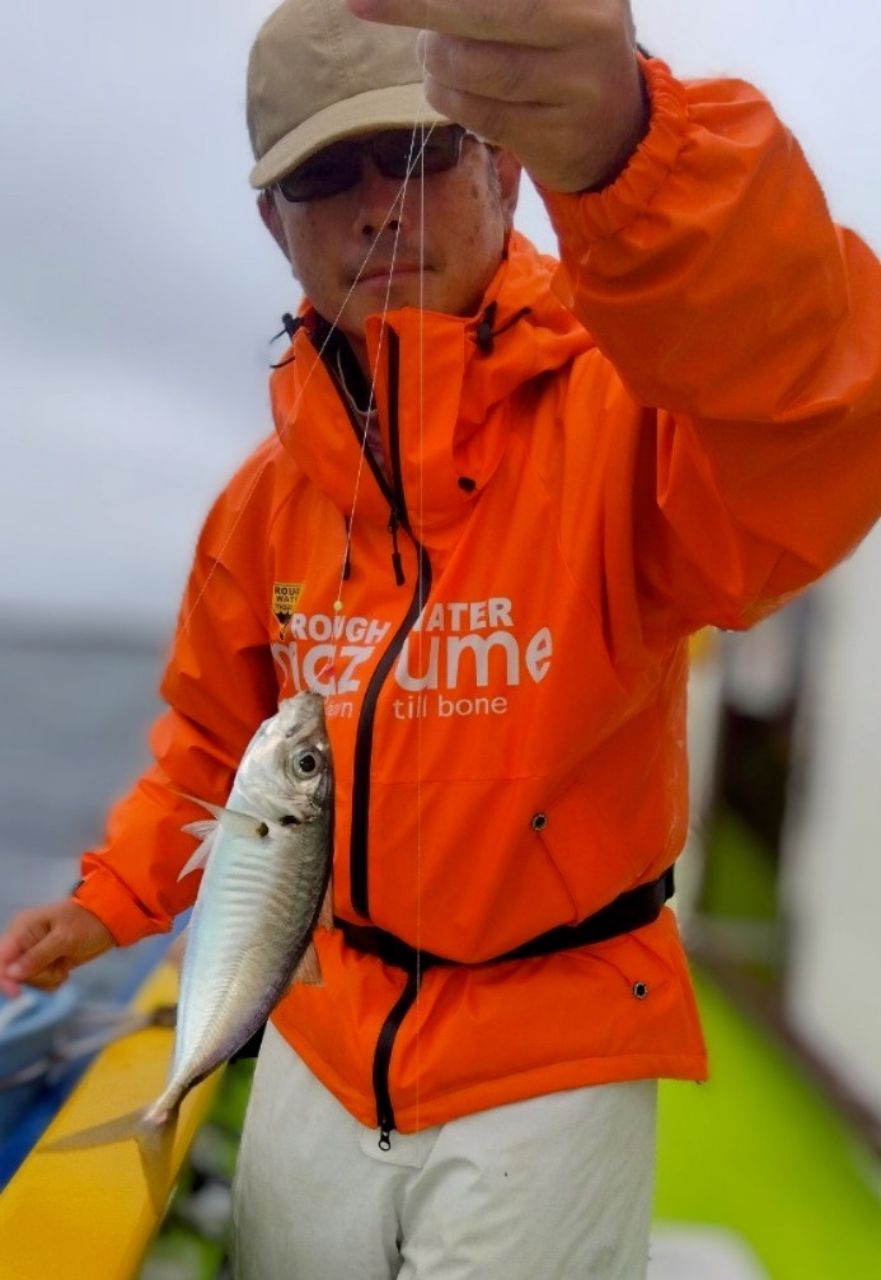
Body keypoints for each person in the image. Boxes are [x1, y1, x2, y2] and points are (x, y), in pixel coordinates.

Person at [2, 0, 881, 1274]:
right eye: (321, 174)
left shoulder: (635, 409)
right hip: (314, 1018)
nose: (376, 207)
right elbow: (214, 751)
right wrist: (110, 900)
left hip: (557, 1046)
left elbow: (819, 414)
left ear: (505, 164)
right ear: (271, 221)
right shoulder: (257, 509)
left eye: (417, 151)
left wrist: (640, 152)